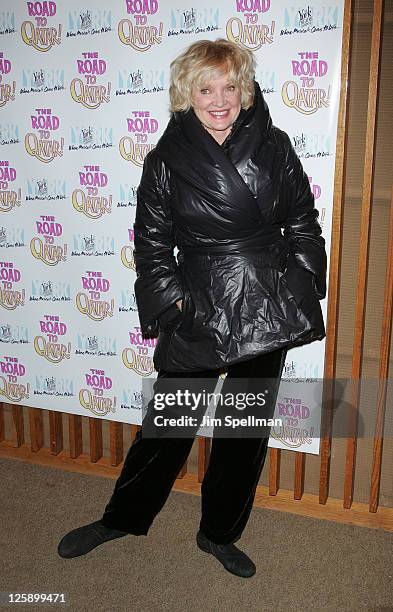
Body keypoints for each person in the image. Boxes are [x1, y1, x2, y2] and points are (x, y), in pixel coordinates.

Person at [58, 39, 327, 578]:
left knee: (243, 429)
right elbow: (152, 242)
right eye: (206, 88)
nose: (220, 99)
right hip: (199, 301)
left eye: (230, 86)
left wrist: (298, 283)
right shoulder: (165, 158)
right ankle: (122, 517)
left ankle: (219, 532)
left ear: (244, 89)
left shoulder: (274, 146)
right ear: (188, 93)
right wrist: (174, 302)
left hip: (265, 303)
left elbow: (302, 218)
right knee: (169, 424)